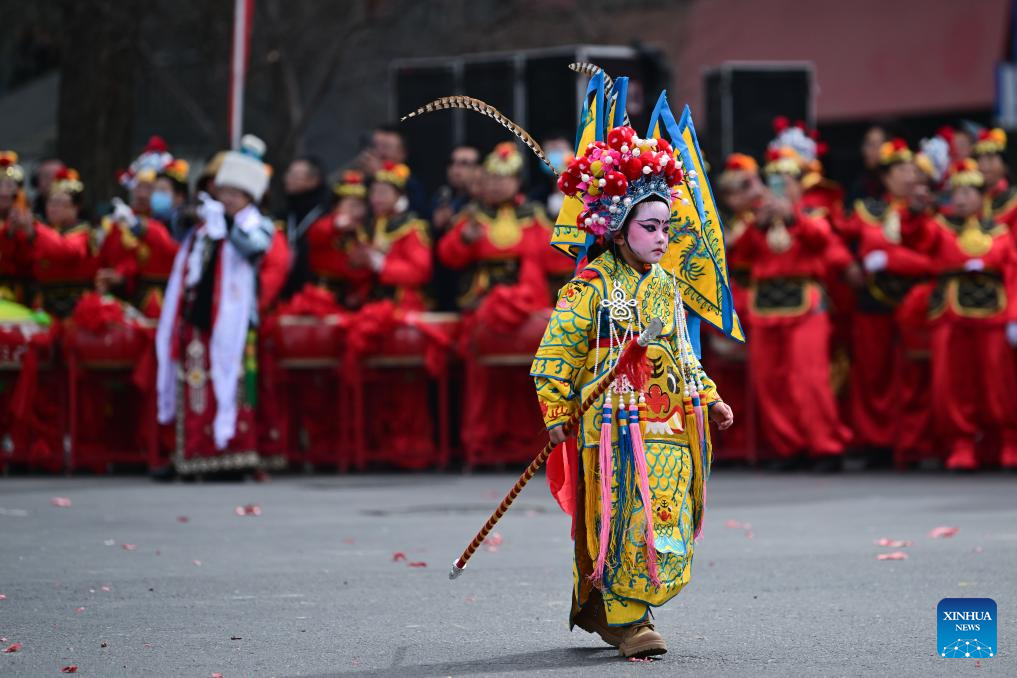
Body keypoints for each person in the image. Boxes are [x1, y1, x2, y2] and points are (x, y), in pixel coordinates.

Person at [533, 123, 733, 658]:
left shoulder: (666, 286)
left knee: (664, 508)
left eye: (666, 225)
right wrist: (555, 408)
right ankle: (628, 618)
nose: (662, 237)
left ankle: (614, 609)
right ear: (619, 228)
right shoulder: (589, 286)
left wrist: (710, 397)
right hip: (611, 425)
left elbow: (684, 354)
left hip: (666, 421)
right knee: (622, 512)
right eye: (651, 226)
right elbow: (556, 353)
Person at [155, 135, 277, 476]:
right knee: (194, 384)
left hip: (235, 321)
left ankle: (234, 457)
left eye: (236, 195)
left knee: (235, 386)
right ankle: (192, 456)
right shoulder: (206, 221)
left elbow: (255, 250)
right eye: (224, 193)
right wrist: (197, 216)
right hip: (198, 315)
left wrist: (228, 227)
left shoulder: (257, 225)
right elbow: (176, 231)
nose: (227, 200)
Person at [732, 147, 850, 470]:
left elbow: (821, 240)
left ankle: (825, 447)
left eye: (788, 182)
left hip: (804, 303)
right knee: (770, 380)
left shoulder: (813, 215)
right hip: (765, 305)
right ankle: (789, 446)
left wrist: (792, 216)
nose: (782, 188)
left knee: (808, 379)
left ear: (800, 185)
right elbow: (739, 255)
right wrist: (759, 225)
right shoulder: (758, 220)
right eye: (776, 182)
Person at [437, 142, 554, 465]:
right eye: (490, 179)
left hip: (527, 302)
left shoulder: (536, 217)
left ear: (518, 182)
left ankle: (531, 441)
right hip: (484, 301)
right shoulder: (472, 218)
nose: (497, 185)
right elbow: (447, 256)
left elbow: (557, 258)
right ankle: (483, 441)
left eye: (504, 179)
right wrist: (464, 241)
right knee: (483, 374)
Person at [901, 159, 1017, 471]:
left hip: (992, 313)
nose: (962, 198)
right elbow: (913, 237)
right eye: (957, 192)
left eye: (969, 192)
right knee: (951, 383)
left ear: (983, 196)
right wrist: (914, 210)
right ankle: (961, 443)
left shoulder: (1002, 231)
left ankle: (1007, 441)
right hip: (950, 313)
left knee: (999, 382)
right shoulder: (939, 227)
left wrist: (1014, 317)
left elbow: (1012, 274)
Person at [837, 139, 934, 460]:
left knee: (914, 375)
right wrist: (854, 262)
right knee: (872, 374)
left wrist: (892, 259)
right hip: (873, 301)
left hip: (918, 303)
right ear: (886, 177)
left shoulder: (929, 211)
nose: (908, 176)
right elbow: (845, 243)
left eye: (912, 170)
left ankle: (914, 443)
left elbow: (933, 256)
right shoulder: (868, 209)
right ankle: (875, 441)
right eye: (900, 170)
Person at [279, 156, 330, 300]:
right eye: (289, 174)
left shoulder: (326, 213)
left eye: (296, 176)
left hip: (314, 287)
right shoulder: (285, 212)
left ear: (314, 180)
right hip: (284, 284)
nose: (288, 179)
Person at [973, 128, 1017, 234]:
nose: (983, 165)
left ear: (1005, 166)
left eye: (990, 159)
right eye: (980, 159)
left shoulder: (1014, 200)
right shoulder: (973, 199)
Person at [846, 124, 888, 205]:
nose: (865, 150)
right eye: (866, 144)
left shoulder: (898, 181)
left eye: (872, 145)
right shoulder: (860, 183)